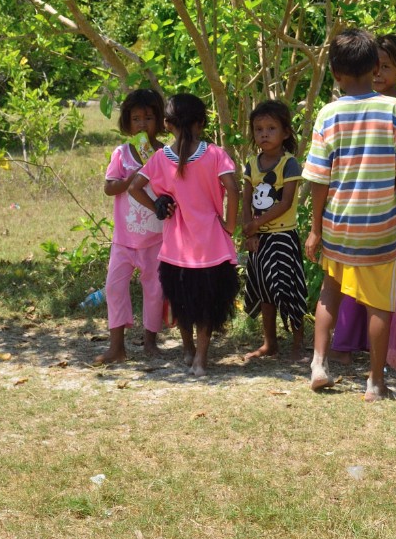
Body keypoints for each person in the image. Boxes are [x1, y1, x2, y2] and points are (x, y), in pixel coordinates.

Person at [303, 29, 396, 400]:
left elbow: (318, 180)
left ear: (336, 74)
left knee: (330, 291)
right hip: (382, 228)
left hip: (338, 225)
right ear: (375, 66)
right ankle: (375, 382)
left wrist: (314, 229)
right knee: (379, 304)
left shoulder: (328, 114)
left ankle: (319, 364)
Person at [129, 93, 239, 377]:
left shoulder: (159, 158)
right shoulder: (215, 154)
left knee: (182, 303)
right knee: (207, 305)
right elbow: (234, 187)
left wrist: (156, 204)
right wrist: (230, 224)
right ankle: (201, 360)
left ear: (167, 124)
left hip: (176, 248)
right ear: (201, 122)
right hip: (212, 245)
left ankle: (188, 351)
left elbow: (134, 187)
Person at [329, 33, 396, 355]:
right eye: (374, 67)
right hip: (356, 206)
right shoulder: (347, 107)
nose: (378, 74)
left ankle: (380, 342)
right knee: (352, 277)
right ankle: (350, 340)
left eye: (386, 67)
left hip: (390, 205)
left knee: (383, 279)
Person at [96, 88, 170, 365]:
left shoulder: (165, 153)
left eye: (149, 118)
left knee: (154, 289)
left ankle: (150, 342)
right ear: (127, 123)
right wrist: (131, 179)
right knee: (114, 287)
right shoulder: (122, 154)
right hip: (124, 239)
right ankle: (117, 346)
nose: (142, 124)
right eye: (136, 119)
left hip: (157, 238)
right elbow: (108, 188)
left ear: (160, 121)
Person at [239, 98, 309, 362]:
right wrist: (251, 233)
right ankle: (269, 343)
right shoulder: (251, 164)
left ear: (285, 133)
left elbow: (286, 202)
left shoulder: (289, 164)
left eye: (271, 128)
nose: (264, 134)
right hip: (260, 239)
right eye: (258, 129)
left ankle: (298, 342)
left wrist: (255, 224)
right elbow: (246, 201)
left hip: (282, 237)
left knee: (288, 289)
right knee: (264, 290)